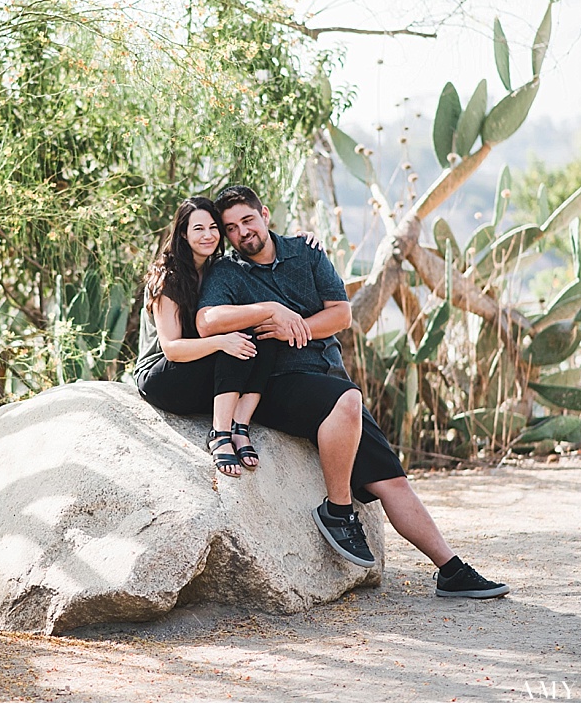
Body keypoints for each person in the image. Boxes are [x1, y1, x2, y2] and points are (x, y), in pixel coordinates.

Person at [195, 184, 510, 599]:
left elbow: (341, 313)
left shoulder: (305, 253)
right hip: (273, 383)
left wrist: (297, 325)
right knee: (348, 399)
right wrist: (269, 312)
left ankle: (451, 570)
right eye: (231, 228)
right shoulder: (228, 272)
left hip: (328, 379)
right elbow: (208, 320)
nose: (241, 233)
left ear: (265, 215)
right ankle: (338, 510)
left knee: (392, 480)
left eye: (247, 221)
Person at [133, 197, 280, 477]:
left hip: (196, 373)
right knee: (233, 341)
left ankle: (239, 426)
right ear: (183, 234)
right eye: (198, 228)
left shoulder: (218, 271)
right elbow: (172, 349)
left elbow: (266, 251)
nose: (208, 235)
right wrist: (220, 342)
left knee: (262, 333)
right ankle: (219, 435)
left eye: (214, 227)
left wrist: (302, 242)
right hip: (161, 376)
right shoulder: (168, 277)